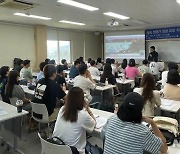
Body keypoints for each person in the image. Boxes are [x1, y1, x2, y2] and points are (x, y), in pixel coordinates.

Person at [101, 92, 168, 154]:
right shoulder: (142, 131)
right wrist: (153, 123)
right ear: (140, 111)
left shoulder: (111, 119)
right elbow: (164, 149)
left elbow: (102, 136)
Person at [53, 87, 96, 154]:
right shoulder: (83, 115)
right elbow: (93, 124)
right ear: (82, 100)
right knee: (97, 150)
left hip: (56, 147)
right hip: (73, 151)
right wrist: (88, 108)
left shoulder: (62, 109)